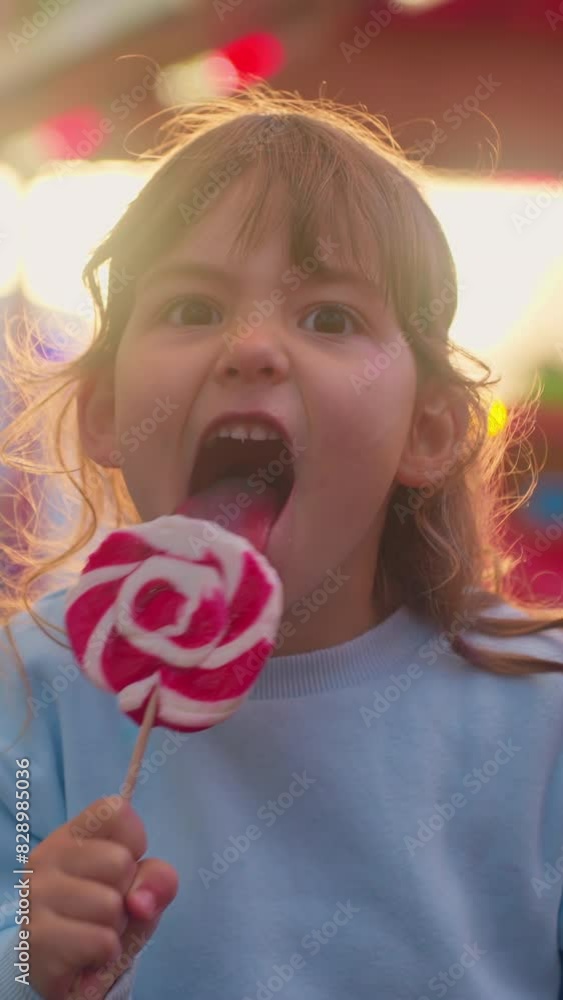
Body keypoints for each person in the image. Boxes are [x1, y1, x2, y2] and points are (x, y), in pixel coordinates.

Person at [0, 85, 562, 1000]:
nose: (251, 347)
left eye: (329, 318)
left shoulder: (538, 718)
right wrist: (26, 955)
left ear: (427, 430)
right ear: (102, 410)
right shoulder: (30, 695)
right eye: (190, 308)